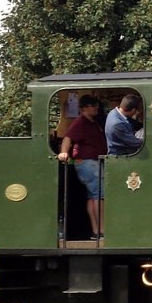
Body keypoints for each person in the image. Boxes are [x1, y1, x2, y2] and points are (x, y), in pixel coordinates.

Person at [57, 95, 107, 239]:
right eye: (93, 105)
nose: (96, 107)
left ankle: (96, 231)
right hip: (88, 163)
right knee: (99, 196)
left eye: (97, 105)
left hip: (92, 163)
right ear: (83, 108)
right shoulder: (80, 122)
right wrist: (63, 153)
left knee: (92, 197)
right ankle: (102, 230)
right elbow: (68, 138)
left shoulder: (92, 122)